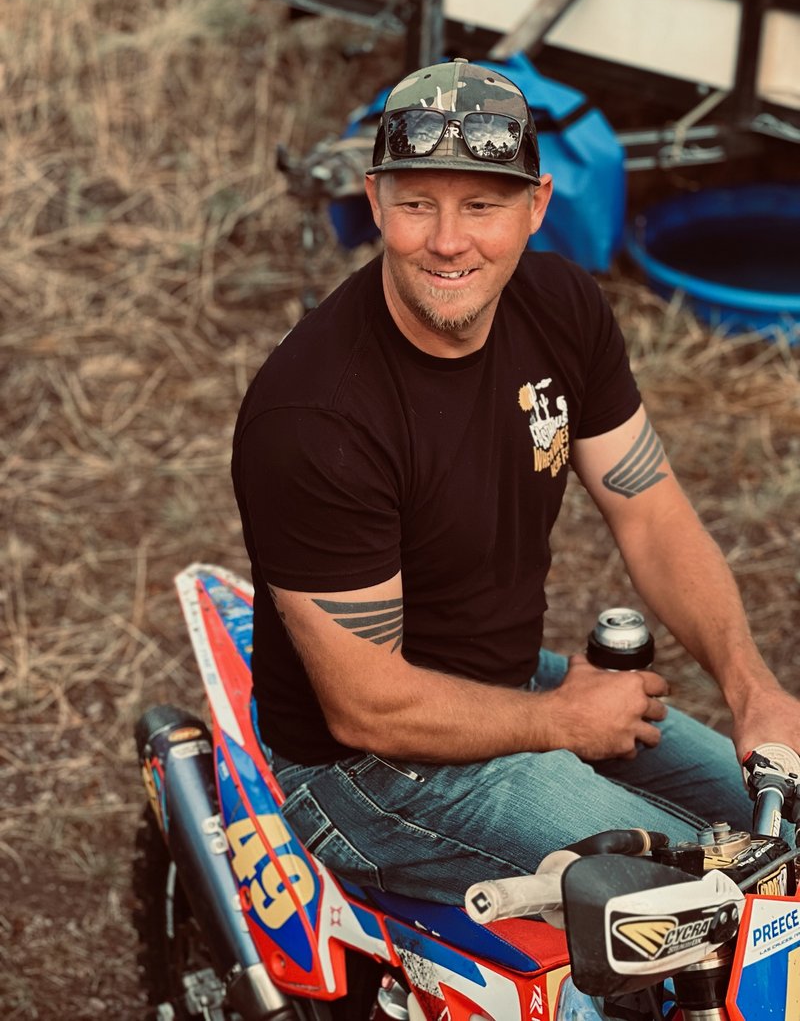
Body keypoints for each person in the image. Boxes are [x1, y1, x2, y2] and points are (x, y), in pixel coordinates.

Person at [232, 58, 800, 906]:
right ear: (375, 201)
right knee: (701, 906)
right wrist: (562, 722)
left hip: (510, 686)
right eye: (418, 203)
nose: (448, 240)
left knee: (782, 845)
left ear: (537, 206)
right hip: (365, 774)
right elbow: (366, 708)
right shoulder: (316, 417)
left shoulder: (562, 305)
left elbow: (649, 510)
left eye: (482, 205)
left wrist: (754, 689)